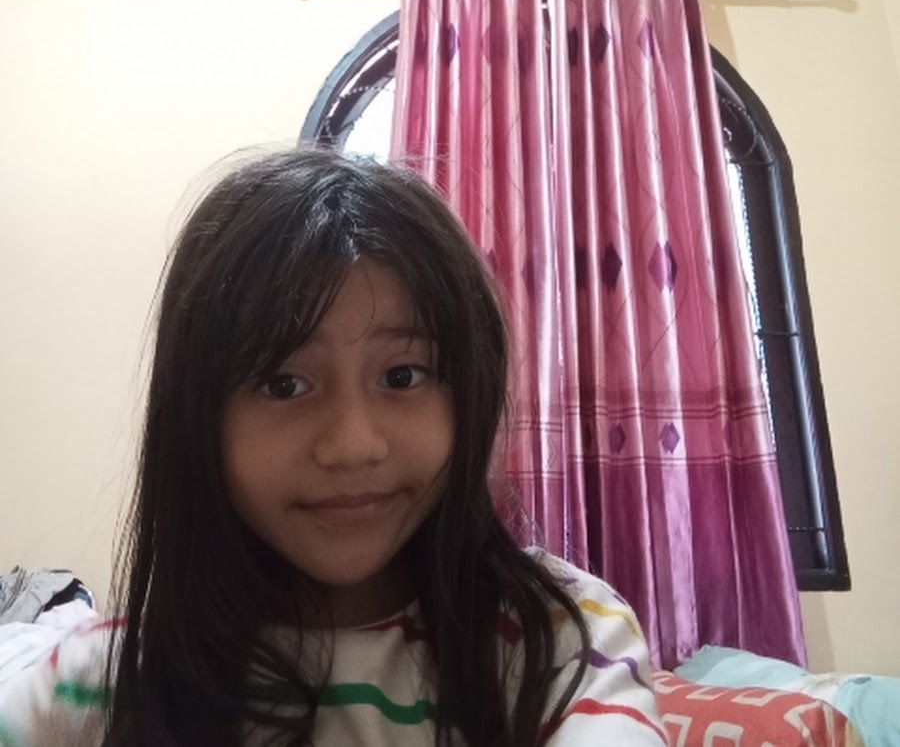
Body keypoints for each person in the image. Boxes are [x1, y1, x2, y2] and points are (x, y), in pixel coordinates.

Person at [0, 147, 666, 746]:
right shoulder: (104, 683)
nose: (352, 445)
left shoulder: (560, 641)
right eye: (284, 384)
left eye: (403, 376)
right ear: (199, 417)